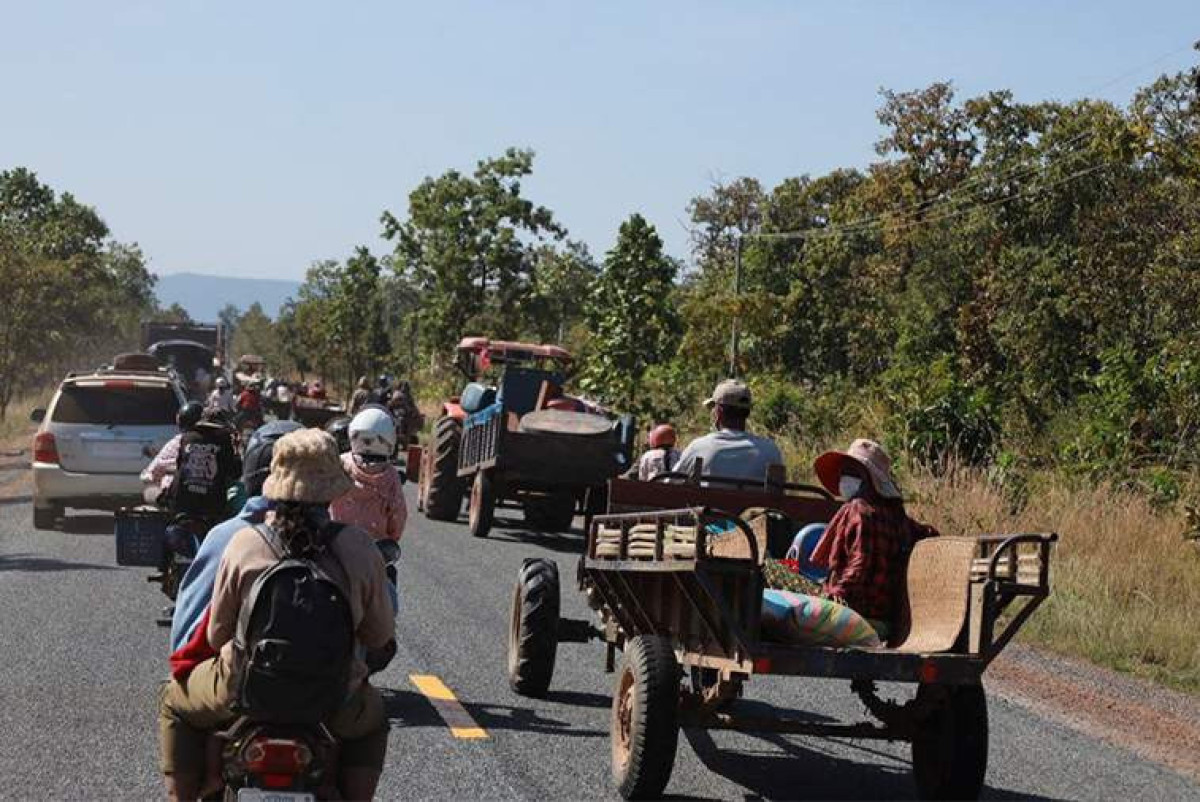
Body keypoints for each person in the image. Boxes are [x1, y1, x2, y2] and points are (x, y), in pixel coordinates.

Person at [158, 429, 394, 801]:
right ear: (333, 488)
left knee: (175, 702)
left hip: (241, 691)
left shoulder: (244, 543)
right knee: (373, 722)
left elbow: (217, 635)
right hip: (333, 697)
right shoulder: (359, 546)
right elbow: (379, 636)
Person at [168, 420, 303, 652]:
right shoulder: (349, 541)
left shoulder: (228, 537)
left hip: (247, 669)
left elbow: (192, 636)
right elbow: (372, 636)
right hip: (332, 673)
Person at [809, 438, 940, 639]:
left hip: (858, 616)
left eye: (852, 473)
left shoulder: (859, 510)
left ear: (868, 479)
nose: (844, 479)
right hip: (886, 619)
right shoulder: (898, 517)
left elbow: (859, 566)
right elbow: (930, 534)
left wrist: (833, 598)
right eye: (844, 473)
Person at [674, 379, 783, 482]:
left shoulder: (698, 447)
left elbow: (670, 483)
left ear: (719, 412)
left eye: (713, 408)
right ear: (748, 413)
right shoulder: (771, 450)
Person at [330, 408, 407, 545]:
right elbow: (398, 514)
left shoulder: (340, 464)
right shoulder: (390, 475)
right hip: (373, 546)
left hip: (336, 541)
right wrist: (391, 539)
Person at [141, 402, 204, 506]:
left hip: (177, 498)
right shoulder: (218, 441)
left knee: (150, 490)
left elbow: (150, 473)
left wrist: (162, 472)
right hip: (210, 501)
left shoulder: (177, 441)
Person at [387, 381, 423, 445]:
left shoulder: (407, 397)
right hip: (397, 419)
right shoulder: (397, 395)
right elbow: (390, 407)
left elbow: (412, 409)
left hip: (404, 419)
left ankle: (405, 438)